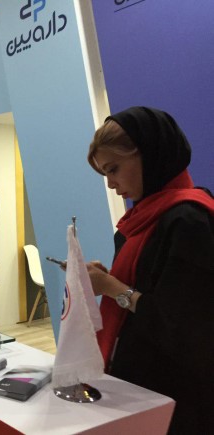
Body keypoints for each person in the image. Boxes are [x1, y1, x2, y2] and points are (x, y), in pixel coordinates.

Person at [85, 107, 214, 434]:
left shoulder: (189, 221)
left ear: (150, 153)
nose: (111, 184)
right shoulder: (139, 221)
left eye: (114, 169)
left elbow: (182, 325)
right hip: (139, 384)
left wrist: (112, 287)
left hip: (177, 395)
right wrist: (110, 280)